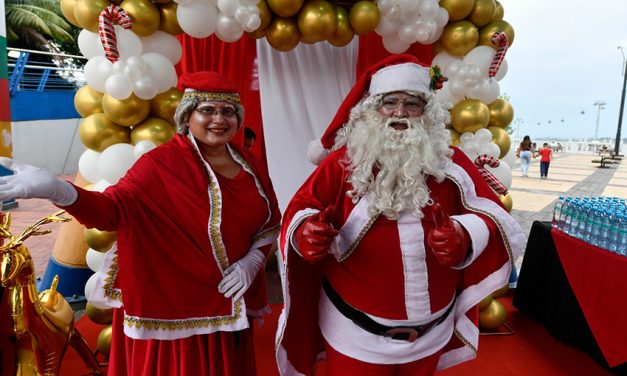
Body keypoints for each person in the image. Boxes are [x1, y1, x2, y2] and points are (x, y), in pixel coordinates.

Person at [0, 71, 281, 375]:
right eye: (207, 110)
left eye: (228, 112)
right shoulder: (160, 163)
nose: (219, 119)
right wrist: (57, 189)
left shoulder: (248, 163)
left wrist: (253, 260)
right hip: (176, 306)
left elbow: (269, 221)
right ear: (187, 116)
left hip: (231, 297)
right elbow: (110, 210)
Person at [276, 55, 525, 375]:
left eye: (413, 103)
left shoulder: (450, 163)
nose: (400, 112)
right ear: (372, 110)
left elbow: (492, 213)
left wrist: (464, 235)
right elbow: (302, 206)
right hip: (356, 335)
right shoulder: (342, 163)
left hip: (431, 334)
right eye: (389, 102)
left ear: (427, 112)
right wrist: (304, 232)